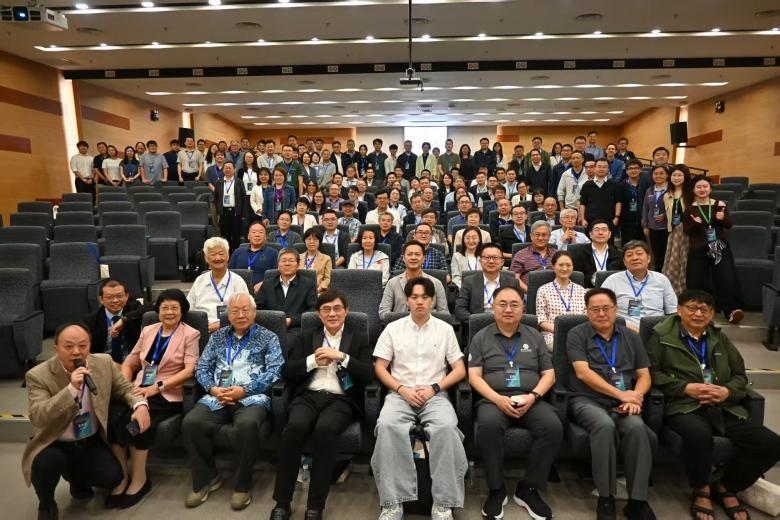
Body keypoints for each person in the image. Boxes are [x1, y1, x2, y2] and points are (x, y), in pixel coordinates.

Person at [647, 289, 780, 520]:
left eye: (704, 309)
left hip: (723, 407)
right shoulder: (661, 337)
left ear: (711, 314)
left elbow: (739, 375)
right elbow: (651, 373)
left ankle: (727, 486)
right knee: (699, 436)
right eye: (692, 308)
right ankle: (701, 489)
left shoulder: (719, 338)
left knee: (771, 444)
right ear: (679, 310)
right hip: (683, 405)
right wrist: (685, 388)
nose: (698, 314)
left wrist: (727, 392)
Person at [23, 323, 151, 520]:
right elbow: (38, 415)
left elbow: (125, 389)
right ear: (56, 348)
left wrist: (140, 405)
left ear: (90, 345)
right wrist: (71, 390)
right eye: (69, 346)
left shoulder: (103, 362)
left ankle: (78, 480)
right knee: (45, 464)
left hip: (90, 439)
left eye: (82, 346)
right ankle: (46, 504)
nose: (76, 352)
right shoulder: (38, 375)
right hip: (55, 441)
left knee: (113, 477)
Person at [269, 290, 374, 520]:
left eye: (337, 309)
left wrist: (342, 357)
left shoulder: (357, 338)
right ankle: (282, 502)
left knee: (325, 429)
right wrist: (312, 361)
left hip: (340, 399)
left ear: (346, 311)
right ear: (318, 314)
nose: (332, 314)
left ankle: (315, 505)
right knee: (294, 428)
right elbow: (287, 371)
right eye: (326, 309)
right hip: (309, 395)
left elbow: (368, 374)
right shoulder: (308, 336)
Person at [372, 277, 468, 520]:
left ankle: (443, 503)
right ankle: (393, 503)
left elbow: (459, 370)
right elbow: (380, 367)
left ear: (433, 300)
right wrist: (401, 389)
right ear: (407, 301)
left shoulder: (445, 329)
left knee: (446, 428)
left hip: (434, 395)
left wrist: (434, 388)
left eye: (425, 297)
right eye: (414, 297)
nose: (419, 302)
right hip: (400, 394)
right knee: (387, 426)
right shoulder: (393, 328)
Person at [182, 293, 283, 510]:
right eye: (235, 311)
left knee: (247, 425)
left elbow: (275, 371)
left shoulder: (269, 337)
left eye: (246, 310)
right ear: (228, 315)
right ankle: (206, 479)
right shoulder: (217, 337)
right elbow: (202, 367)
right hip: (216, 396)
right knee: (191, 423)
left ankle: (242, 486)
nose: (241, 315)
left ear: (254, 312)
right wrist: (212, 388)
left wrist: (244, 390)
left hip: (251, 397)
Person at [468, 286, 561, 520]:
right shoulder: (481, 337)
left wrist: (534, 396)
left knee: (552, 427)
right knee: (488, 426)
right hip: (493, 399)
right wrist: (497, 399)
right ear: (493, 307)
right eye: (502, 304)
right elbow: (474, 376)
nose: (508, 309)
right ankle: (496, 489)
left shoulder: (535, 336)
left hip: (531, 398)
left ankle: (529, 488)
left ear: (523, 308)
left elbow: (549, 374)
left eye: (514, 304)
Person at [566, 287, 655, 520]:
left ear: (615, 309)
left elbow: (644, 375)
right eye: (595, 309)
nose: (601, 314)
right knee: (603, 425)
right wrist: (621, 394)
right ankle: (606, 497)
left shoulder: (631, 337)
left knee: (637, 428)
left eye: (606, 308)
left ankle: (637, 500)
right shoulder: (577, 334)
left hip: (625, 402)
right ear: (587, 311)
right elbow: (583, 373)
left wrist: (636, 396)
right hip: (587, 399)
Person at [109, 289, 199, 509]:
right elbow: (130, 362)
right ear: (158, 310)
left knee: (135, 424)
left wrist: (156, 388)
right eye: (164, 307)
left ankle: (139, 479)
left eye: (174, 308)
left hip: (167, 393)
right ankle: (121, 476)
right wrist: (125, 386)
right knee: (113, 416)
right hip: (138, 389)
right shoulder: (148, 330)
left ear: (182, 311)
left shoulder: (190, 334)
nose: (169, 312)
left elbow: (189, 371)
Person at [683, 176, 745, 324]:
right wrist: (696, 224)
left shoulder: (720, 204)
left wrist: (722, 218)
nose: (702, 189)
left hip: (717, 245)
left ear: (710, 189)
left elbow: (728, 225)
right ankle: (699, 310)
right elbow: (687, 231)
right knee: (697, 279)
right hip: (698, 247)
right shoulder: (690, 208)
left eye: (705, 186)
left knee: (725, 277)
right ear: (693, 190)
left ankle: (731, 310)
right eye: (698, 187)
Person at [601, 240, 678, 332]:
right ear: (624, 262)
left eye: (639, 253)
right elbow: (601, 311)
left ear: (648, 258)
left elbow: (673, 312)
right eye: (629, 255)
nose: (635, 258)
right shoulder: (612, 281)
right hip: (625, 332)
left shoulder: (661, 280)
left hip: (658, 331)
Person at [187, 237, 250, 333]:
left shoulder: (237, 281)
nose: (218, 258)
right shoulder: (200, 281)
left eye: (221, 254)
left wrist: (219, 325)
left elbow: (246, 312)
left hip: (230, 330)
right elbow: (189, 309)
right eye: (213, 254)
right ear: (206, 258)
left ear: (228, 256)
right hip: (201, 330)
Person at [379, 241, 449, 322]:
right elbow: (383, 312)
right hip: (400, 327)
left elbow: (444, 314)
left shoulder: (436, 283)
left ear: (424, 258)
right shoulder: (392, 283)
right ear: (403, 258)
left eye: (417, 254)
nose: (413, 257)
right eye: (409, 254)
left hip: (428, 326)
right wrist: (402, 320)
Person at [84, 279, 150, 363]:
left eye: (119, 296)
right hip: (105, 362)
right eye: (109, 297)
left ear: (126, 296)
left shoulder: (134, 309)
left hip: (132, 362)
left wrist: (124, 319)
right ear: (101, 299)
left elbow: (153, 306)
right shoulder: (91, 320)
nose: (115, 300)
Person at [255, 248, 318, 334]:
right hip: (270, 329)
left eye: (291, 261)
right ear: (278, 264)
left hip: (297, 330)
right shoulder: (267, 284)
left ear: (298, 264)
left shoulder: (308, 284)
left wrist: (292, 320)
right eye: (283, 261)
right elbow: (257, 309)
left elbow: (313, 310)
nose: (287, 263)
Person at [454, 243, 520, 325]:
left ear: (502, 262)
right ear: (480, 261)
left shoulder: (512, 283)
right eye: (487, 257)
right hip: (477, 326)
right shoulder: (469, 282)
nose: (491, 261)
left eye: (495, 257)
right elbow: (460, 310)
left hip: (505, 325)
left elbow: (520, 308)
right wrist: (477, 322)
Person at [536, 251, 587, 350]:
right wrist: (562, 331)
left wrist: (575, 334)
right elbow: (541, 321)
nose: (564, 268)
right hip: (553, 336)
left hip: (579, 336)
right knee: (569, 351)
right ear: (553, 266)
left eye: (568, 265)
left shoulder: (581, 291)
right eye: (561, 265)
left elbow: (586, 318)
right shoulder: (543, 290)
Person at [661, 164, 692, 294]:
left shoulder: (691, 194)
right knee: (672, 261)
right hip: (673, 232)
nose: (676, 178)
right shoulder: (667, 195)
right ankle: (671, 290)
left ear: (686, 177)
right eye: (674, 175)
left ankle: (682, 290)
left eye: (680, 175)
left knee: (684, 262)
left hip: (687, 233)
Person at [569, 220, 624, 288]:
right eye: (597, 230)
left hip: (612, 289)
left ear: (609, 234)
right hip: (588, 289)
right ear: (590, 234)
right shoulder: (579, 253)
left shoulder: (618, 255)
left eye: (604, 230)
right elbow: (576, 277)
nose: (600, 233)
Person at [228, 222, 279, 293]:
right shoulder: (238, 252)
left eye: (260, 232)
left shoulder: (273, 253)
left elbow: (276, 275)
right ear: (248, 236)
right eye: (254, 232)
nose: (257, 235)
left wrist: (265, 284)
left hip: (262, 291)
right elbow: (229, 273)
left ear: (265, 237)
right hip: (238, 290)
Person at [510, 221, 557, 292]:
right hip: (528, 293)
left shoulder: (557, 254)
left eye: (544, 235)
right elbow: (515, 277)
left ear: (549, 236)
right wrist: (529, 292)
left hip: (554, 293)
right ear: (531, 236)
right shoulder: (521, 254)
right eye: (537, 235)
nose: (540, 238)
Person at [579, 158, 622, 232]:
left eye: (604, 167)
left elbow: (618, 202)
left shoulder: (614, 185)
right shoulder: (587, 185)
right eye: (599, 166)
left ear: (608, 169)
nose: (601, 169)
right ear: (595, 168)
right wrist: (583, 219)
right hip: (590, 221)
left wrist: (616, 218)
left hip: (609, 221)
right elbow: (582, 203)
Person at [641, 165, 670, 272]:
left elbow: (677, 209)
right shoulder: (649, 190)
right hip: (652, 228)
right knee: (656, 254)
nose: (658, 176)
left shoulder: (671, 190)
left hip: (667, 228)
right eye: (655, 174)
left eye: (661, 173)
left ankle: (666, 274)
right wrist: (645, 226)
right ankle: (658, 274)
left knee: (666, 254)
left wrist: (665, 215)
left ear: (667, 175)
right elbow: (645, 208)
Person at [215, 161, 246, 252]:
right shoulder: (219, 182)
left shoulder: (239, 182)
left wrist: (242, 214)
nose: (228, 169)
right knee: (225, 234)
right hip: (224, 212)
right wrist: (218, 212)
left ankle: (236, 252)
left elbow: (243, 198)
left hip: (236, 212)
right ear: (223, 170)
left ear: (234, 169)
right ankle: (227, 253)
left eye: (230, 168)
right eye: (226, 168)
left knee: (236, 235)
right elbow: (216, 197)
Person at [619, 159, 645, 244]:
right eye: (630, 168)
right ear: (626, 171)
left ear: (640, 170)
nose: (633, 170)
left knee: (642, 246)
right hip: (626, 222)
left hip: (642, 222)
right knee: (627, 246)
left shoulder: (645, 185)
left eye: (636, 168)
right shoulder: (621, 186)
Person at [300, 228, 332, 295]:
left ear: (319, 242)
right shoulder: (297, 257)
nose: (311, 242)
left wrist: (318, 289)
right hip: (299, 290)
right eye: (309, 239)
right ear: (305, 241)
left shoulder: (326, 258)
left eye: (315, 239)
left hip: (317, 291)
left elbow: (327, 278)